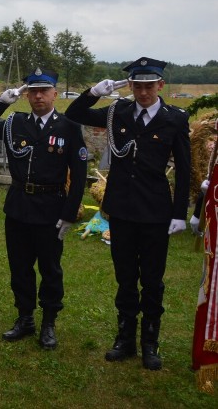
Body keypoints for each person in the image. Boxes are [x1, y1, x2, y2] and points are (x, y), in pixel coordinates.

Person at [65, 57, 190, 370]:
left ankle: (150, 342)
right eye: (138, 85)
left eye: (149, 85)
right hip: (120, 209)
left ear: (161, 85)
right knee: (125, 278)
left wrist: (179, 213)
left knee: (152, 280)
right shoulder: (116, 111)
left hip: (155, 211)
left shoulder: (174, 118)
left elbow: (185, 168)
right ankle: (125, 339)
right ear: (130, 86)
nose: (144, 92)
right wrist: (94, 91)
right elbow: (75, 113)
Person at [0, 69, 88, 350]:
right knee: (20, 267)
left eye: (43, 91)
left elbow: (80, 173)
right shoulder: (16, 122)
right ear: (26, 95)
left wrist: (69, 214)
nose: (38, 96)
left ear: (54, 94)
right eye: (32, 91)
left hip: (51, 208)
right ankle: (25, 318)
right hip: (19, 207)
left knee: (50, 268)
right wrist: (1, 101)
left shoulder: (69, 126)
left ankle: (48, 322)